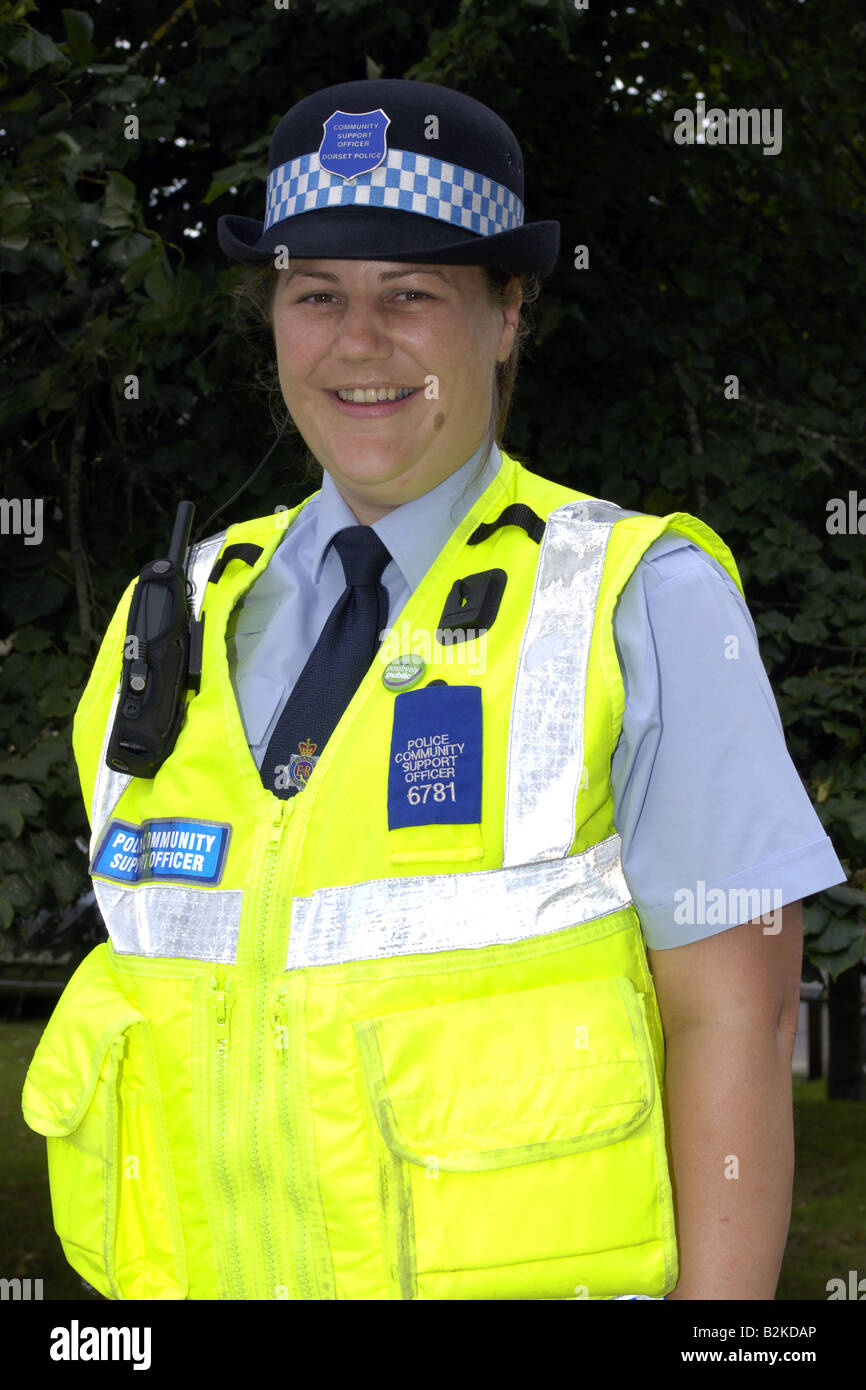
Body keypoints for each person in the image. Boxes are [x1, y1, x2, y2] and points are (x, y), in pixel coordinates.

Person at [23, 79, 846, 1302]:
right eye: (316, 295)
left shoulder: (633, 596)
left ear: (506, 316)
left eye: (411, 293)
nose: (358, 342)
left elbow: (735, 1013)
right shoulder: (175, 614)